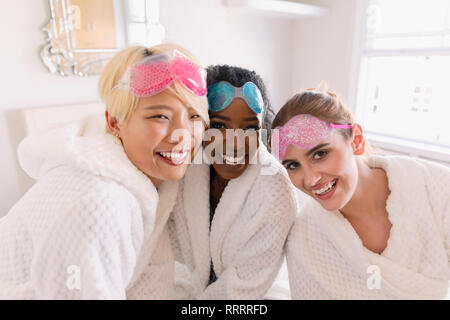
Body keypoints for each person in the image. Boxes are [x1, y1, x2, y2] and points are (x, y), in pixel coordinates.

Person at [0, 43, 209, 299]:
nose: (183, 135)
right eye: (160, 117)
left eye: (195, 116)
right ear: (114, 122)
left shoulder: (148, 178)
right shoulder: (100, 204)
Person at [271, 88, 450, 299]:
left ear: (355, 140)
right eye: (292, 165)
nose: (310, 180)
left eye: (320, 154)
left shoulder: (435, 187)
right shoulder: (304, 240)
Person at [168, 65, 298, 299]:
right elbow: (168, 253)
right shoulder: (183, 169)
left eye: (250, 128)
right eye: (219, 126)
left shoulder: (275, 188)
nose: (236, 143)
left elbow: (244, 285)